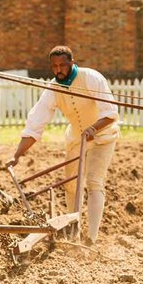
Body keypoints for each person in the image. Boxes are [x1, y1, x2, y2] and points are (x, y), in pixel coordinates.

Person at [9, 46, 119, 245]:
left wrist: (94, 128)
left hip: (103, 137)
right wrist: (17, 154)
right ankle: (73, 232)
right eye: (54, 66)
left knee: (94, 182)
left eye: (62, 65)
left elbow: (110, 113)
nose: (58, 70)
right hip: (77, 138)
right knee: (71, 185)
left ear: (72, 63)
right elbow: (36, 122)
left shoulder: (91, 78)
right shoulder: (53, 88)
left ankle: (91, 238)